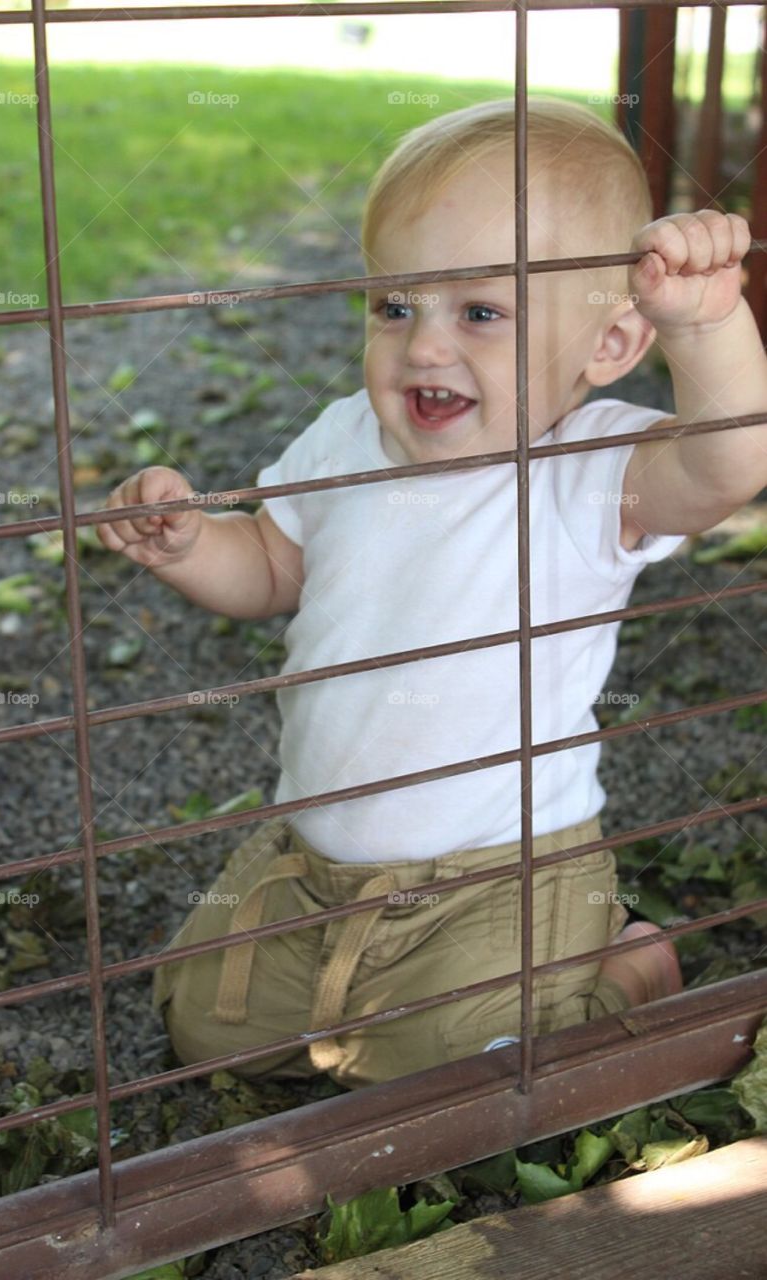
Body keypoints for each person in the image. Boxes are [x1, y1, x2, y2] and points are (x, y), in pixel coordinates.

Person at [98, 98, 767, 1089]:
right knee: (206, 1028)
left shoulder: (590, 470)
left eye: (480, 312)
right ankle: (373, 993)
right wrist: (192, 544)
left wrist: (704, 327)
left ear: (612, 345)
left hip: (503, 871)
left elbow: (729, 465)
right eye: (394, 306)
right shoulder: (343, 439)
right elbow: (273, 570)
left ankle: (625, 964)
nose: (422, 347)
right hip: (316, 861)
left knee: (463, 1077)